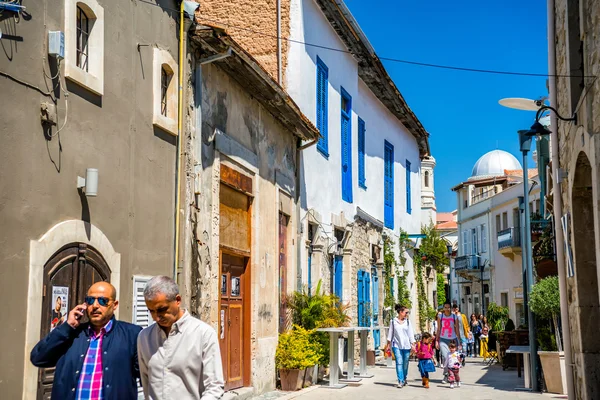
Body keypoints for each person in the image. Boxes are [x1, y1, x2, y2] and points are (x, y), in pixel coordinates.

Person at [31, 282, 142, 399]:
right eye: (90, 300)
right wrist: (67, 327)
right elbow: (38, 358)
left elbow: (150, 376)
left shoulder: (132, 335)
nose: (95, 305)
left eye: (102, 301)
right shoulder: (71, 334)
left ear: (114, 305)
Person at [137, 276, 225, 399]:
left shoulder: (203, 334)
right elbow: (146, 383)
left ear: (177, 300)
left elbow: (214, 386)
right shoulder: (144, 338)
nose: (156, 317)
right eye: (151, 311)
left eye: (161, 310)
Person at [385, 304, 416, 388]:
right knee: (399, 362)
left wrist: (413, 344)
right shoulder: (393, 321)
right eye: (406, 312)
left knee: (405, 363)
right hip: (396, 345)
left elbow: (410, 334)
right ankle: (400, 380)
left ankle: (404, 378)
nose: (407, 314)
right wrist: (388, 345)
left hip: (406, 345)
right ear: (400, 312)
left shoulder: (408, 322)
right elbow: (390, 333)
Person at [436, 302, 462, 384]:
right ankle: (446, 374)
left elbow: (457, 329)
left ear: (450, 308)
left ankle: (453, 374)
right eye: (445, 307)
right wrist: (437, 340)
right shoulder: (440, 316)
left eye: (448, 307)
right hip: (443, 339)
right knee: (444, 356)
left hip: (453, 339)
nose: (447, 309)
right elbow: (439, 329)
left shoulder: (455, 316)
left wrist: (459, 341)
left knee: (452, 358)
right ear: (443, 308)